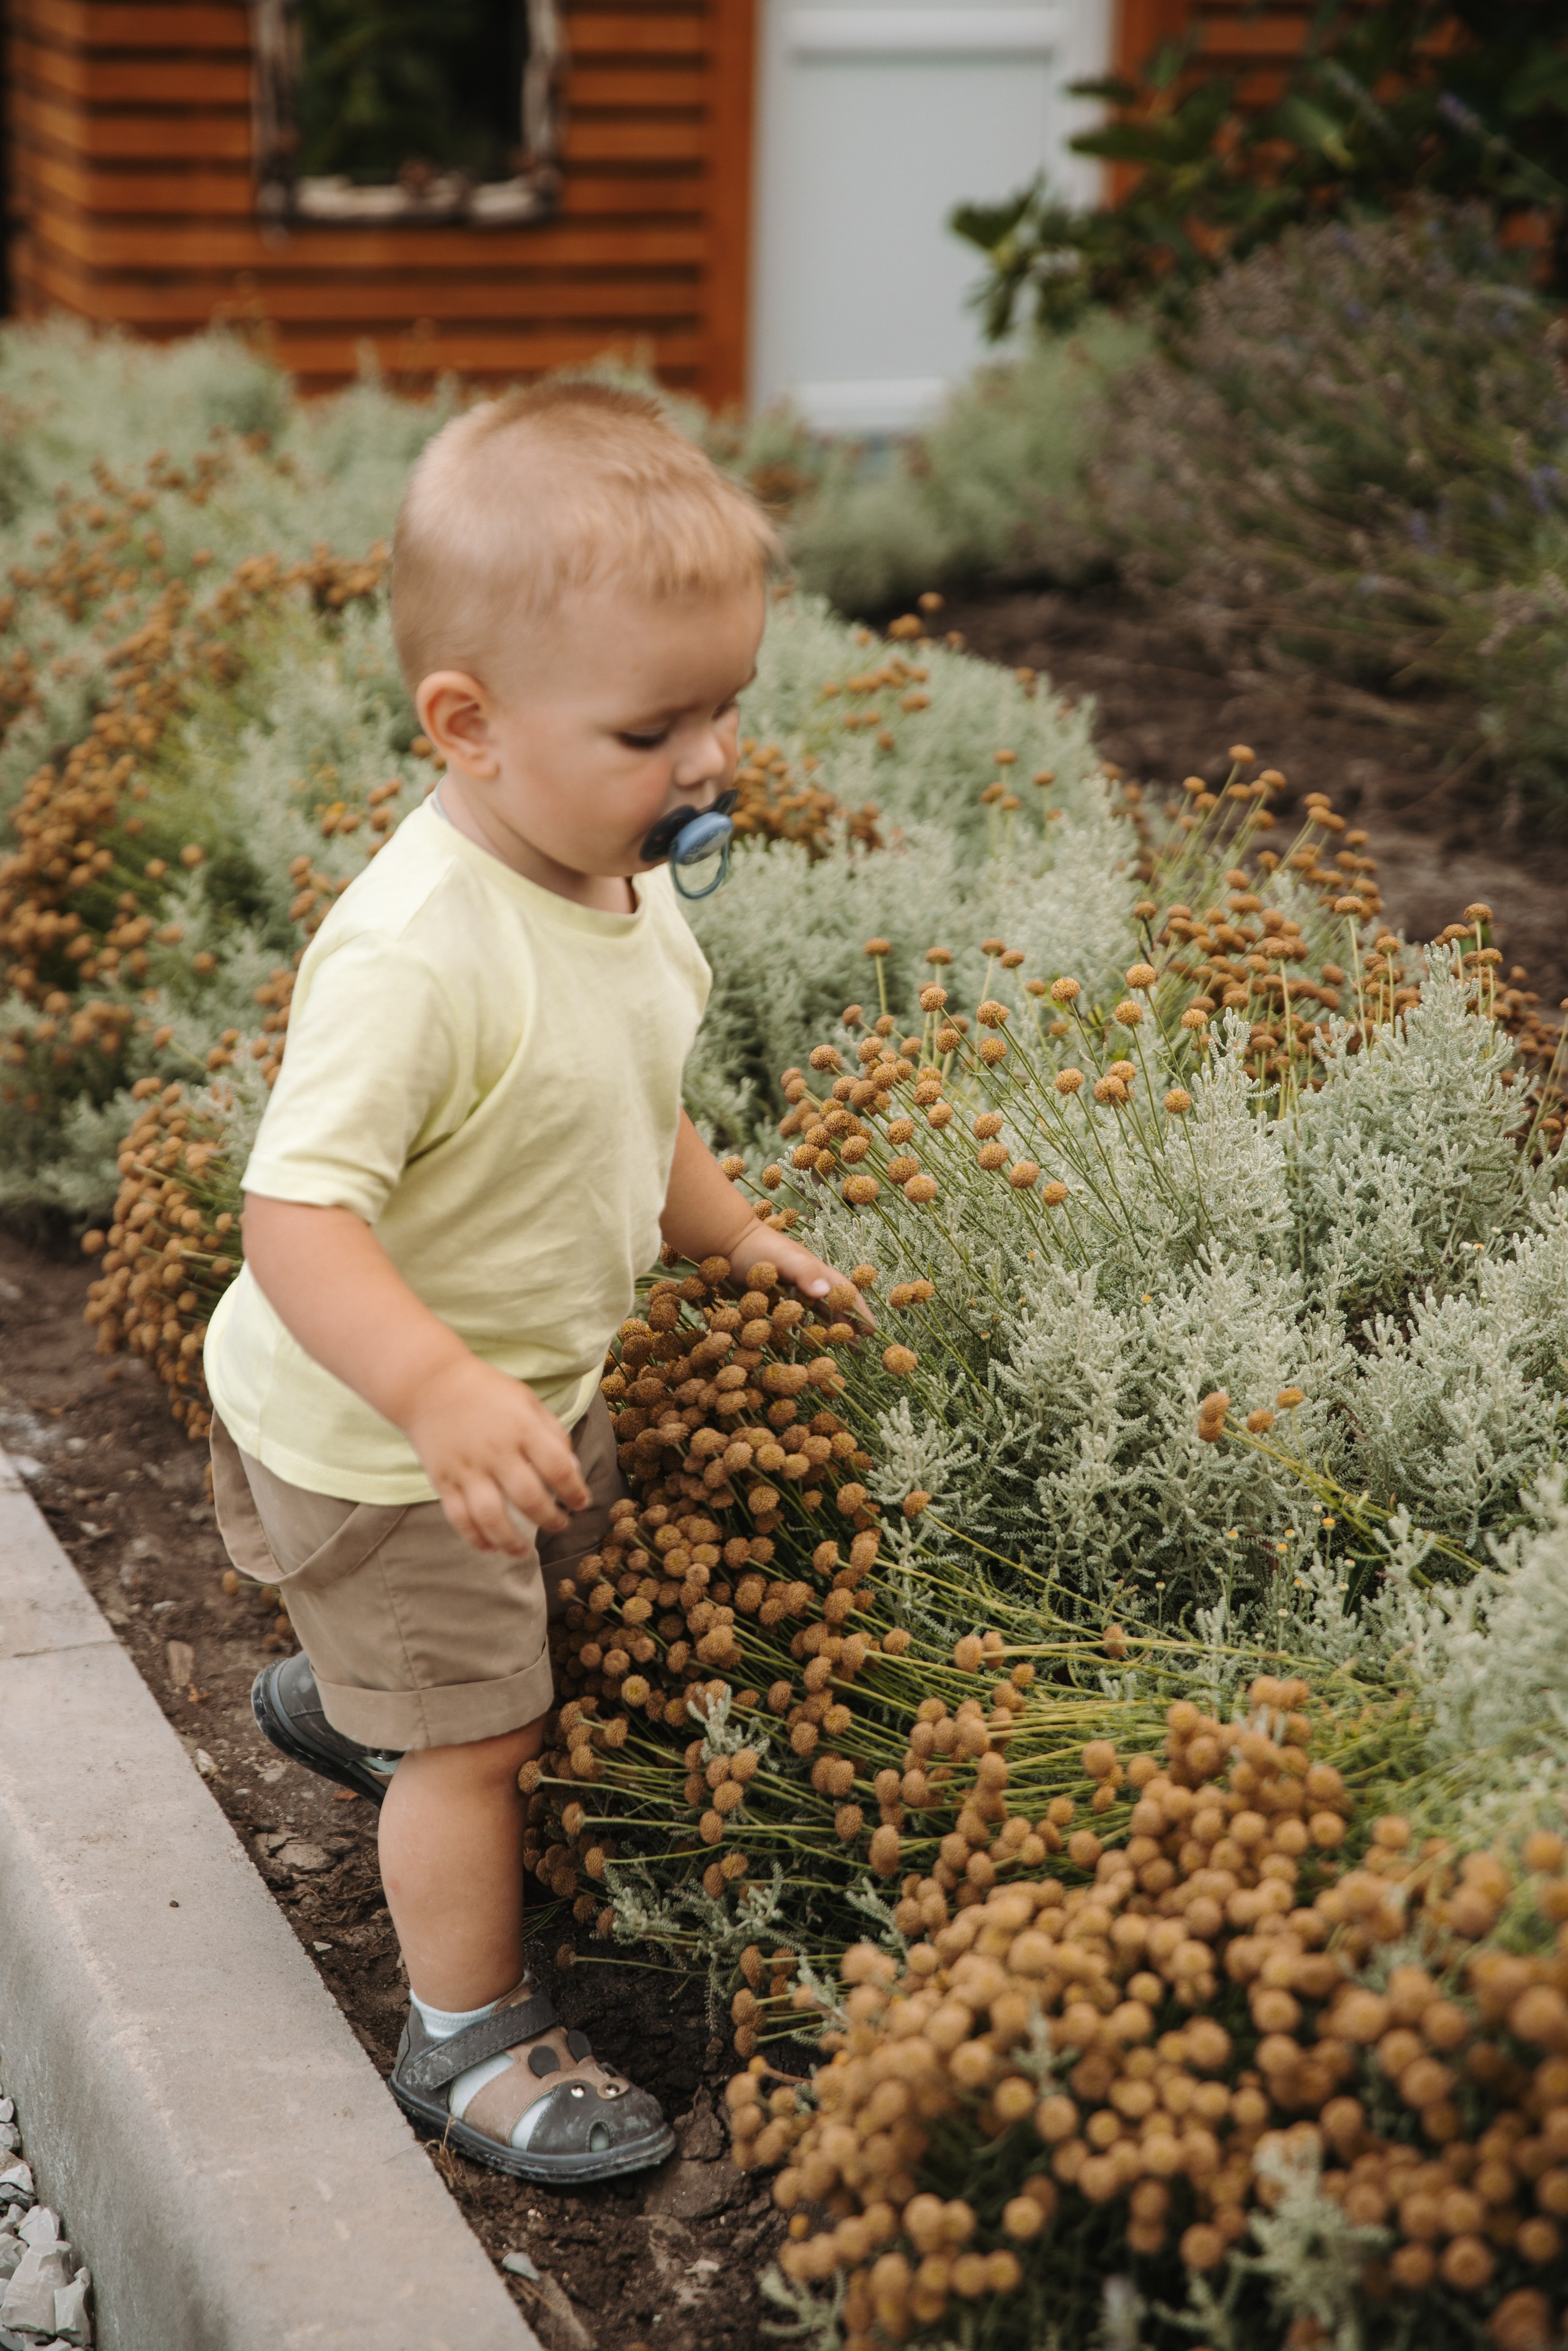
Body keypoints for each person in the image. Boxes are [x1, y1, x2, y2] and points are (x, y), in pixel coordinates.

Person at [203, 382, 852, 2183]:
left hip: (515, 1394)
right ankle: (467, 2037)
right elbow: (295, 1220)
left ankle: (351, 1698)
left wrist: (736, 1234)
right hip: (380, 1435)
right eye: (656, 726)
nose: (711, 761)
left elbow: (639, 1106)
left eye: (728, 708)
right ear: (467, 727)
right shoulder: (418, 953)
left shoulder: (622, 884)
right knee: (486, 1741)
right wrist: (435, 1387)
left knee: (546, 1600)